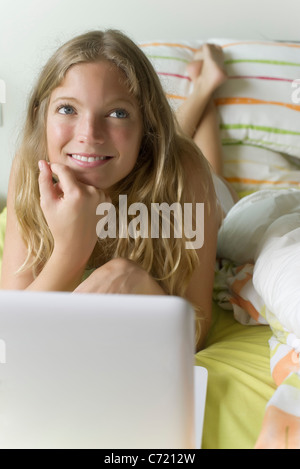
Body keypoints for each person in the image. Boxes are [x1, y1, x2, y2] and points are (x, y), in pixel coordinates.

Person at [0, 30, 231, 351]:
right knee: (172, 143)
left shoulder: (185, 174)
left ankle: (206, 90)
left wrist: (141, 284)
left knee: (204, 166)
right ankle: (202, 87)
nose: (89, 134)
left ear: (146, 128)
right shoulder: (29, 165)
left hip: (205, 193)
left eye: (117, 113)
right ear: (42, 114)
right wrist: (70, 252)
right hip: (147, 155)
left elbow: (197, 328)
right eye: (68, 109)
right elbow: (9, 336)